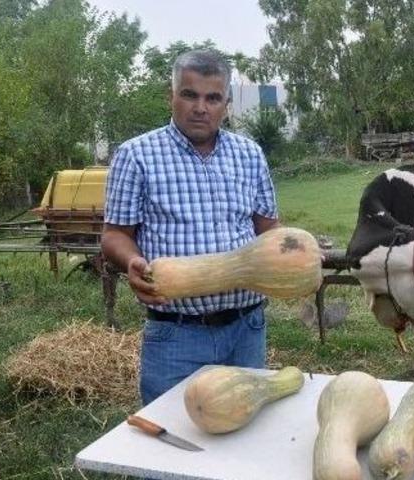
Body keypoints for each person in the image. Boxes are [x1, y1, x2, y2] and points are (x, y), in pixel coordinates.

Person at [102, 50, 279, 406]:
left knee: (245, 437)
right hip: (175, 333)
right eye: (190, 94)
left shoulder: (250, 154)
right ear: (171, 96)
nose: (201, 107)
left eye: (212, 98)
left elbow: (269, 228)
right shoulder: (136, 155)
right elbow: (115, 234)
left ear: (226, 104)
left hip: (247, 328)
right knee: (172, 441)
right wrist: (132, 262)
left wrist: (295, 256)